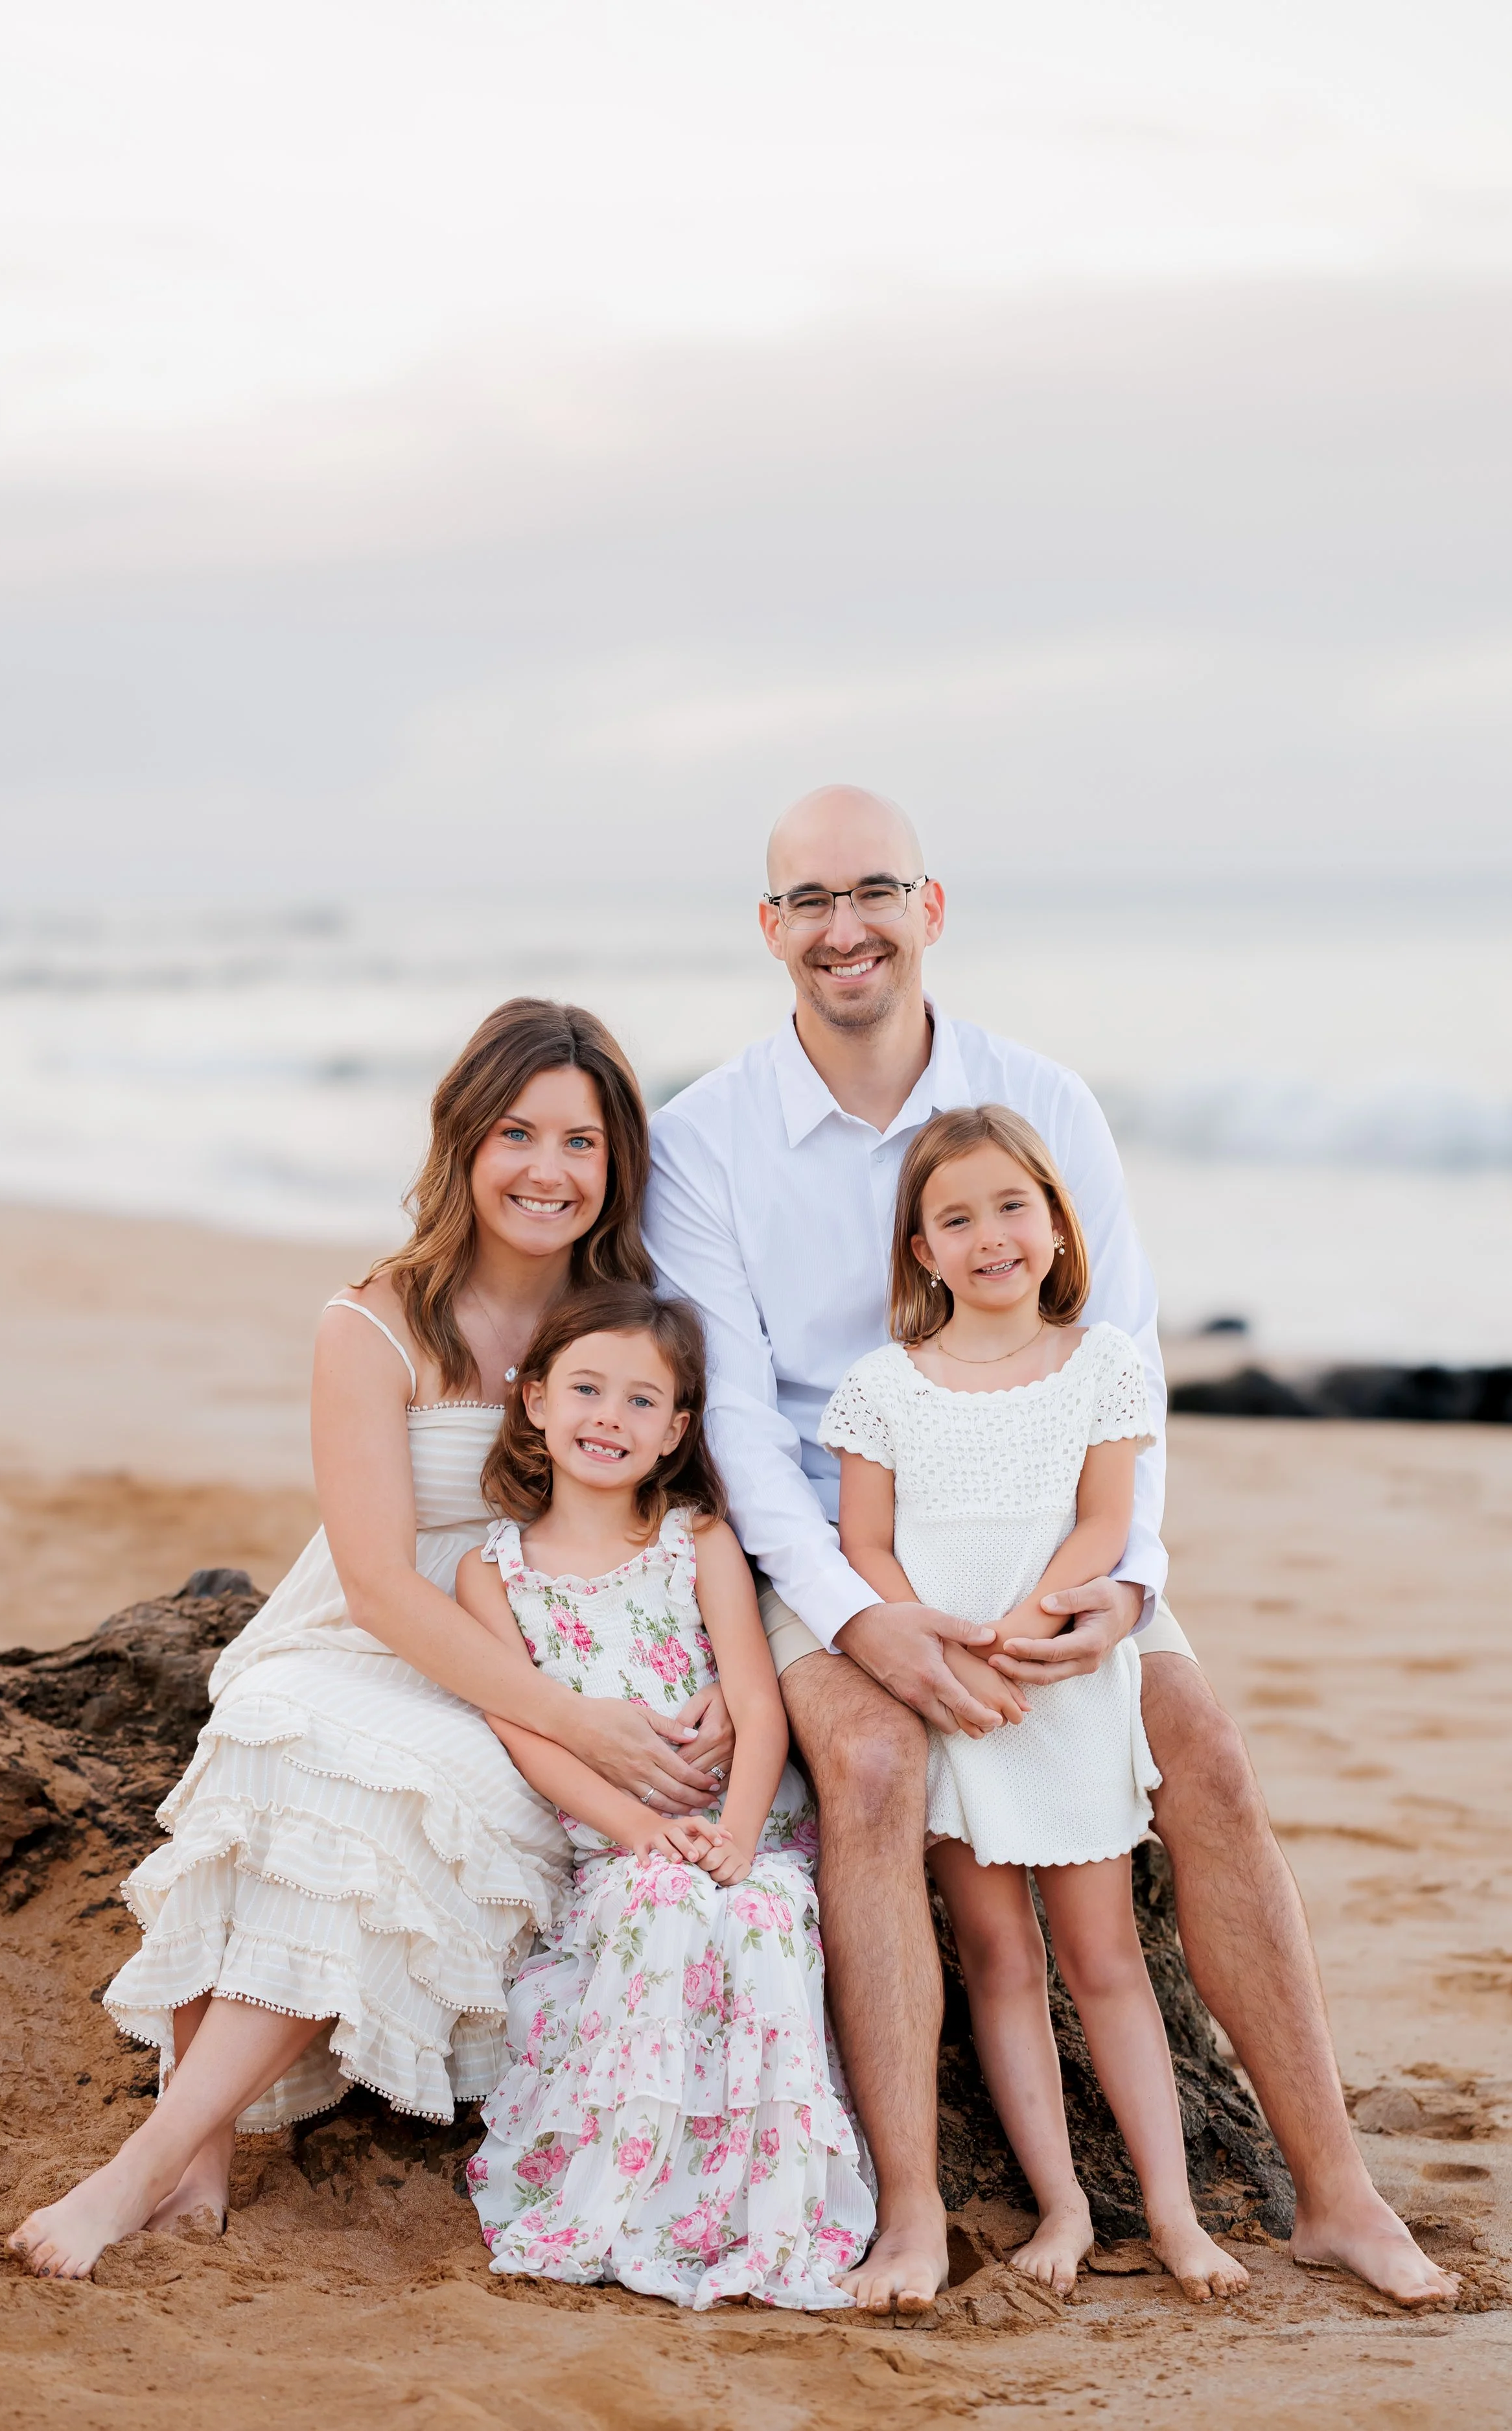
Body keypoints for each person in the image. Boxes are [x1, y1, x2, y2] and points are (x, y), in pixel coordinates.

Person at [644, 783, 1457, 2314]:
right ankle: (901, 2213)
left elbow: (1123, 1365)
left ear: (927, 908)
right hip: (837, 1549)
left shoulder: (1044, 1104)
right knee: (874, 1773)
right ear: (770, 931)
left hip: (1048, 1537)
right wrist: (854, 1614)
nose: (844, 928)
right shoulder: (704, 1138)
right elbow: (738, 1425)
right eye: (809, 903)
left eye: (872, 891)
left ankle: (1335, 2196)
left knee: (1202, 1749)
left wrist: (1119, 1585)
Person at [9, 998, 733, 2282]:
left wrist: (665, 1694)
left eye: (580, 1142)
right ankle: (194, 2154)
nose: (546, 1170)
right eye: (516, 1132)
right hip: (368, 1634)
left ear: (616, 1163)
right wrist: (576, 1725)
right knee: (276, 1738)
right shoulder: (374, 1320)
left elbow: (689, 1517)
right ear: (464, 1140)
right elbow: (381, 1585)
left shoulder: (626, 1324)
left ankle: (143, 2167)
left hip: (531, 1660)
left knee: (385, 1802)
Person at [824, 1103, 1248, 2301]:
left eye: (1012, 1207)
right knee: (1001, 1955)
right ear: (922, 1249)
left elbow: (1111, 1520)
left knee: (1102, 1952)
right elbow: (863, 1543)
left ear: (1057, 1227)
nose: (989, 1235)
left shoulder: (1102, 1362)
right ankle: (1061, 2205)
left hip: (1061, 1686)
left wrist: (1031, 1627)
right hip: (957, 1699)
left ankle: (1173, 2217)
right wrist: (951, 1655)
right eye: (954, 1217)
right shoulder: (883, 1387)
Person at [457, 1282, 875, 2308]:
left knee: (770, 1915)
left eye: (643, 1401)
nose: (611, 1416)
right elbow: (526, 1731)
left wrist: (736, 1836)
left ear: (677, 1429)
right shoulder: (492, 1573)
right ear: (535, 1400)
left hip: (754, 1832)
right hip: (621, 1846)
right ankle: (626, 2192)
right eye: (587, 1389)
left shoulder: (698, 1539)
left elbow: (757, 1702)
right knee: (665, 1905)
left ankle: (761, 2210)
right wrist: (642, 1828)